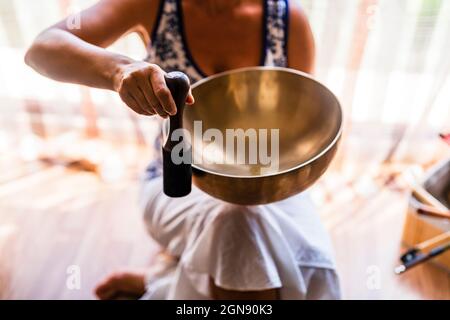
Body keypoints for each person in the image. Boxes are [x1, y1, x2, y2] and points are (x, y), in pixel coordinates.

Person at [25, 0, 341, 300]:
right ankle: (178, 273)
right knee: (238, 223)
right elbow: (43, 49)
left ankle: (168, 280)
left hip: (270, 186)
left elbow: (298, 125)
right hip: (176, 180)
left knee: (280, 250)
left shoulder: (288, 20)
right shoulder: (155, 6)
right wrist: (119, 70)